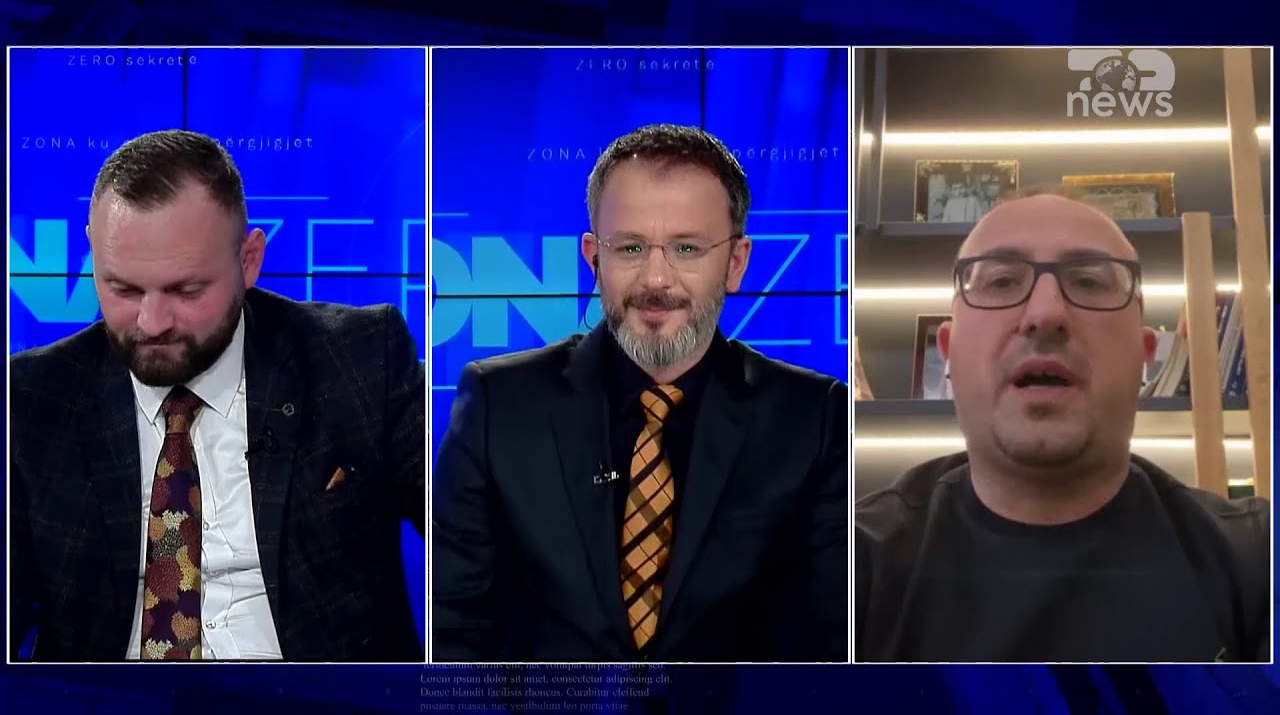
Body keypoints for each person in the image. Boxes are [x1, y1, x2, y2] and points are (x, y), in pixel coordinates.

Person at [432, 123, 848, 663]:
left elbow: (830, 651)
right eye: (630, 247)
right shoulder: (499, 405)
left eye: (686, 248)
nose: (655, 279)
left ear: (736, 263)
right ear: (593, 258)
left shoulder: (812, 418)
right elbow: (455, 640)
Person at [9, 130, 426, 662]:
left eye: (186, 290)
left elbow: (467, 545)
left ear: (249, 261)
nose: (152, 323)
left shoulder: (359, 359)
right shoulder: (31, 400)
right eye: (123, 289)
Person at [855, 190, 1271, 663]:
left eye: (1089, 282)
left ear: (1144, 359)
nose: (1045, 314)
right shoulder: (845, 567)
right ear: (948, 353)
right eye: (1002, 281)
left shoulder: (1258, 561)